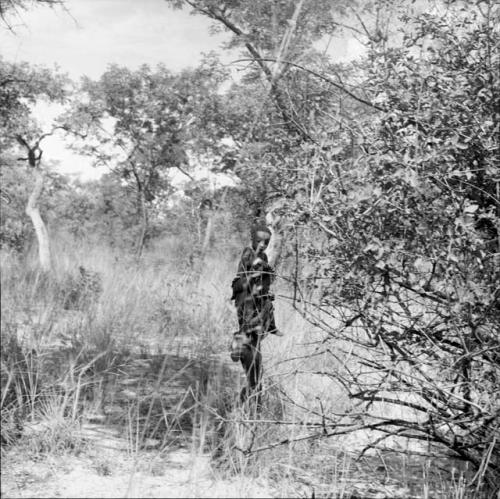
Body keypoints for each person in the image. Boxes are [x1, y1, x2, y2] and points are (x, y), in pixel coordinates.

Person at [230, 220, 283, 362]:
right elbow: (251, 263)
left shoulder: (264, 256)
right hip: (244, 289)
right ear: (252, 239)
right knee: (247, 321)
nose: (262, 245)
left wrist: (268, 277)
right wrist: (265, 266)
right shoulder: (249, 251)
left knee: (268, 306)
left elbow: (264, 276)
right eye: (259, 241)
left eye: (266, 243)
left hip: (257, 291)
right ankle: (237, 347)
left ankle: (272, 327)